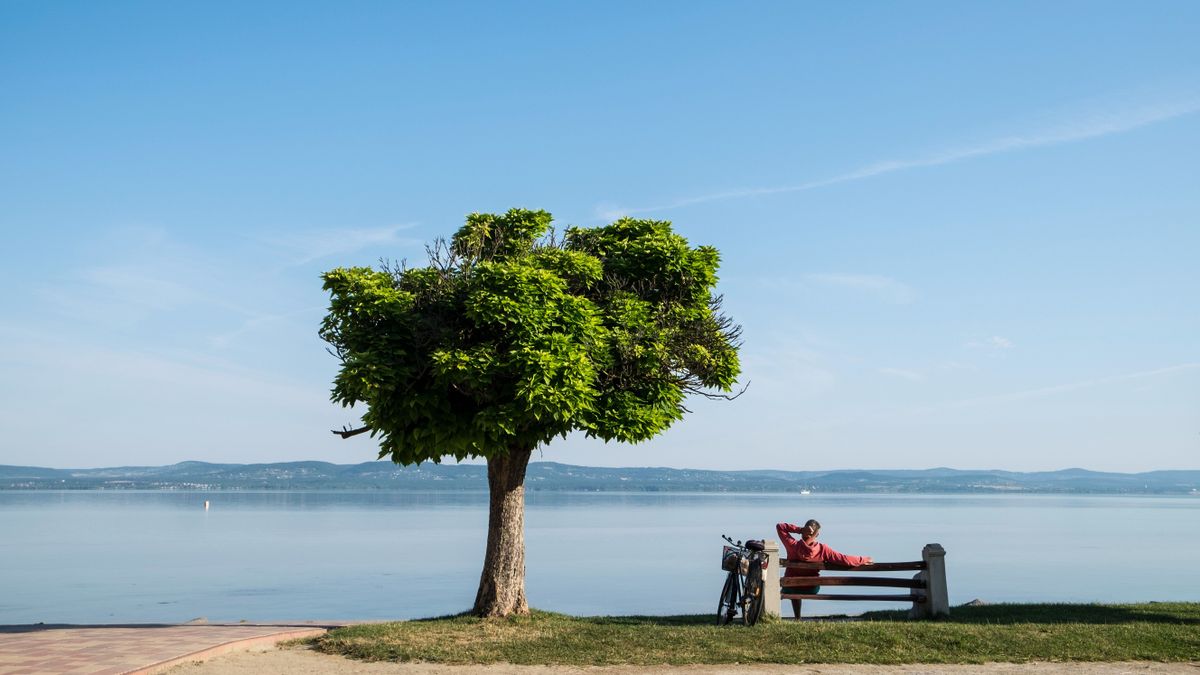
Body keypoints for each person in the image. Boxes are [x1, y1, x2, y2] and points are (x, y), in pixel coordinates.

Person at [775, 519, 873, 618]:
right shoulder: (823, 550)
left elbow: (780, 527)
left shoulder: (792, 545)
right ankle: (797, 617)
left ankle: (796, 617)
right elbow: (845, 560)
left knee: (791, 586)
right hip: (811, 588)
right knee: (796, 586)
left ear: (804, 532)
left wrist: (800, 529)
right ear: (817, 535)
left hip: (790, 587)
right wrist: (864, 559)